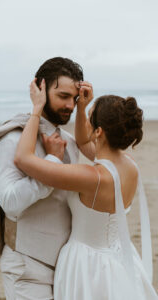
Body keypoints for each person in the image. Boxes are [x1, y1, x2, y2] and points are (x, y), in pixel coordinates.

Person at [14, 78, 158, 299]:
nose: (86, 121)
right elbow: (83, 141)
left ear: (99, 132)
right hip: (120, 260)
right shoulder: (129, 165)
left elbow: (23, 159)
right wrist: (82, 108)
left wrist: (36, 109)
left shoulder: (92, 177)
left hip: (86, 264)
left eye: (90, 118)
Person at [0, 57, 85, 299]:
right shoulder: (11, 139)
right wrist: (51, 162)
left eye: (74, 99)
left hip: (67, 269)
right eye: (63, 96)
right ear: (40, 89)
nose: (70, 106)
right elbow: (10, 201)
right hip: (27, 267)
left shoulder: (70, 143)